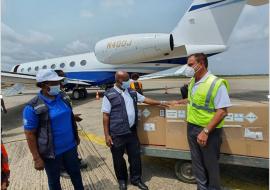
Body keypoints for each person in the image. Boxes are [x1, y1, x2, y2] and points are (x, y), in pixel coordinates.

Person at [102, 71, 170, 190]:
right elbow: (105, 116)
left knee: (135, 157)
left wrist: (162, 103)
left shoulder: (132, 92)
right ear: (119, 81)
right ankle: (122, 180)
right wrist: (107, 135)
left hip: (131, 131)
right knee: (118, 159)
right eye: (127, 80)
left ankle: (136, 179)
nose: (130, 82)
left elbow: (145, 99)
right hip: (117, 133)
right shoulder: (109, 95)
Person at [173, 53, 231, 190]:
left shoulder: (216, 83)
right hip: (192, 127)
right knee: (197, 161)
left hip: (208, 130)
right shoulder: (194, 81)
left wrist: (205, 131)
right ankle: (201, 187)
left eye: (190, 64)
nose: (187, 67)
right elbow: (192, 100)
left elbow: (222, 111)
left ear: (201, 64)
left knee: (210, 163)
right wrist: (177, 102)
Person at [23, 69, 84, 190]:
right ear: (43, 85)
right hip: (51, 153)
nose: (59, 85)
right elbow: (30, 134)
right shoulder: (32, 106)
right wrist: (36, 158)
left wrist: (73, 119)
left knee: (76, 174)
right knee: (54, 181)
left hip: (70, 147)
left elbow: (67, 113)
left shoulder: (63, 97)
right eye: (55, 83)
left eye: (59, 82)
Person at [54, 69, 88, 175]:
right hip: (61, 128)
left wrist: (73, 116)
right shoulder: (54, 94)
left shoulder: (62, 92)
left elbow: (64, 110)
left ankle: (74, 162)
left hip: (69, 124)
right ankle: (62, 168)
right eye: (62, 77)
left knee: (72, 145)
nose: (65, 79)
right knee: (62, 147)